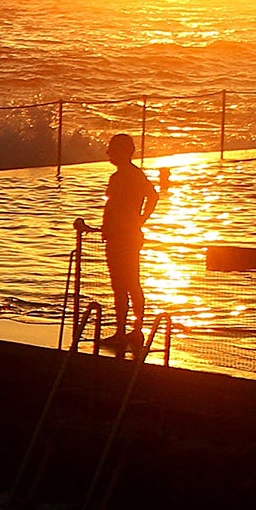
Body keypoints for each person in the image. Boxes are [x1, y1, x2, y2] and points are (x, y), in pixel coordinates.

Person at [100, 133, 158, 350]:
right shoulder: (129, 175)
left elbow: (151, 197)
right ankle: (132, 329)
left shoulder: (127, 176)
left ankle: (128, 330)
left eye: (112, 149)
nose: (108, 153)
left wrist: (140, 219)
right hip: (123, 234)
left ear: (123, 152)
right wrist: (140, 219)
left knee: (125, 284)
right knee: (129, 283)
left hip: (122, 236)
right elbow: (152, 196)